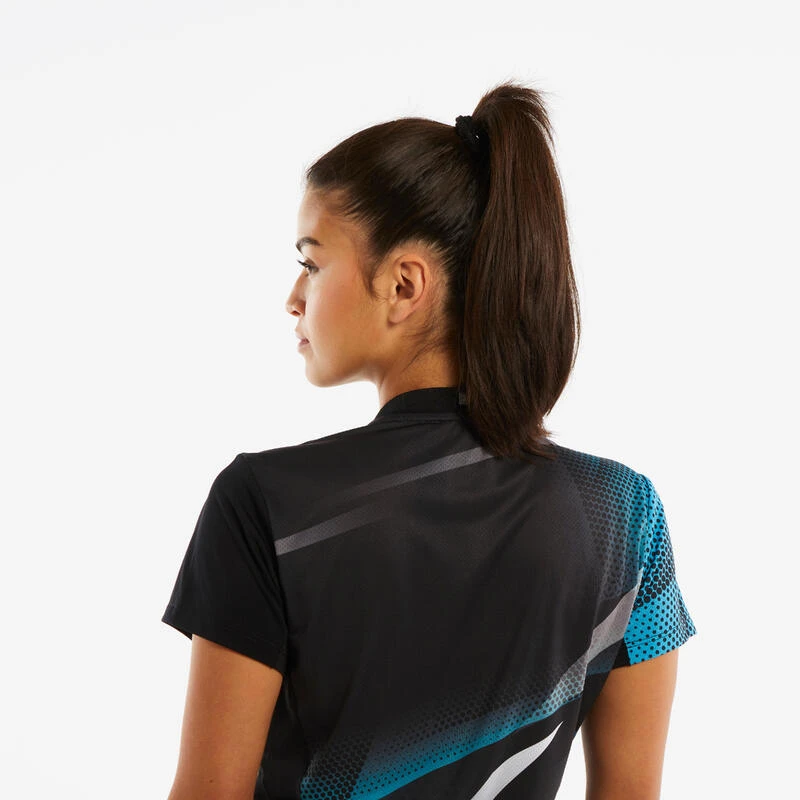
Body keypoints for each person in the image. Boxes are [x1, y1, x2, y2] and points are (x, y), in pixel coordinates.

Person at [161, 79, 696, 800]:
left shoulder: (265, 505)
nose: (294, 298)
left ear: (404, 285)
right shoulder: (625, 516)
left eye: (312, 262)